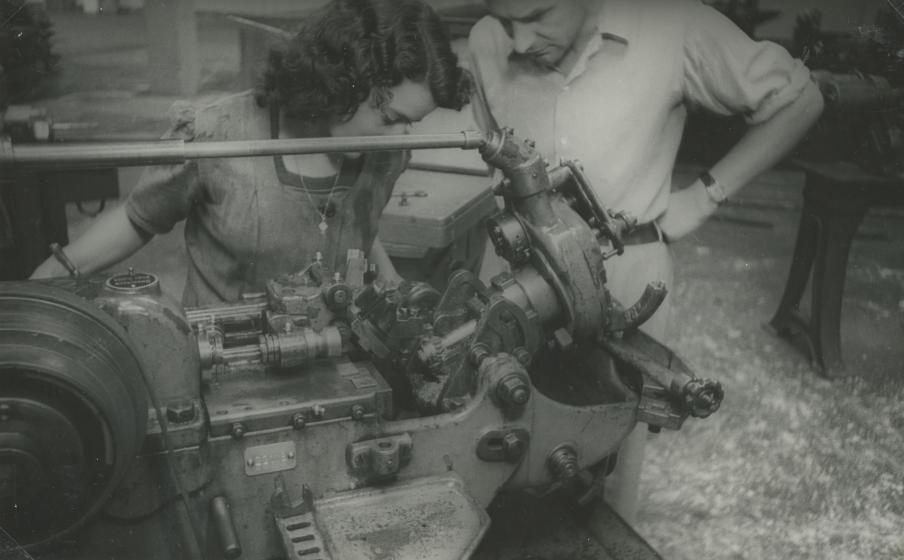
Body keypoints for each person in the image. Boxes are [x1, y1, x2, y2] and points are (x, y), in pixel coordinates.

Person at [467, 0, 824, 524]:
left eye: (538, 16)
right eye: (506, 20)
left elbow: (799, 98)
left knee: (607, 463)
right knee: (490, 445)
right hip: (515, 275)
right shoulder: (486, 40)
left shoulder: (671, 26)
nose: (517, 42)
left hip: (624, 276)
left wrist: (705, 195)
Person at [31, 0, 472, 307]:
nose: (402, 135)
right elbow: (137, 218)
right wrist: (52, 275)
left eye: (410, 123)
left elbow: (359, 226)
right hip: (222, 363)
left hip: (337, 362)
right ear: (344, 80)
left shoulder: (386, 152)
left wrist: (391, 282)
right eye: (392, 117)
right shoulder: (221, 135)